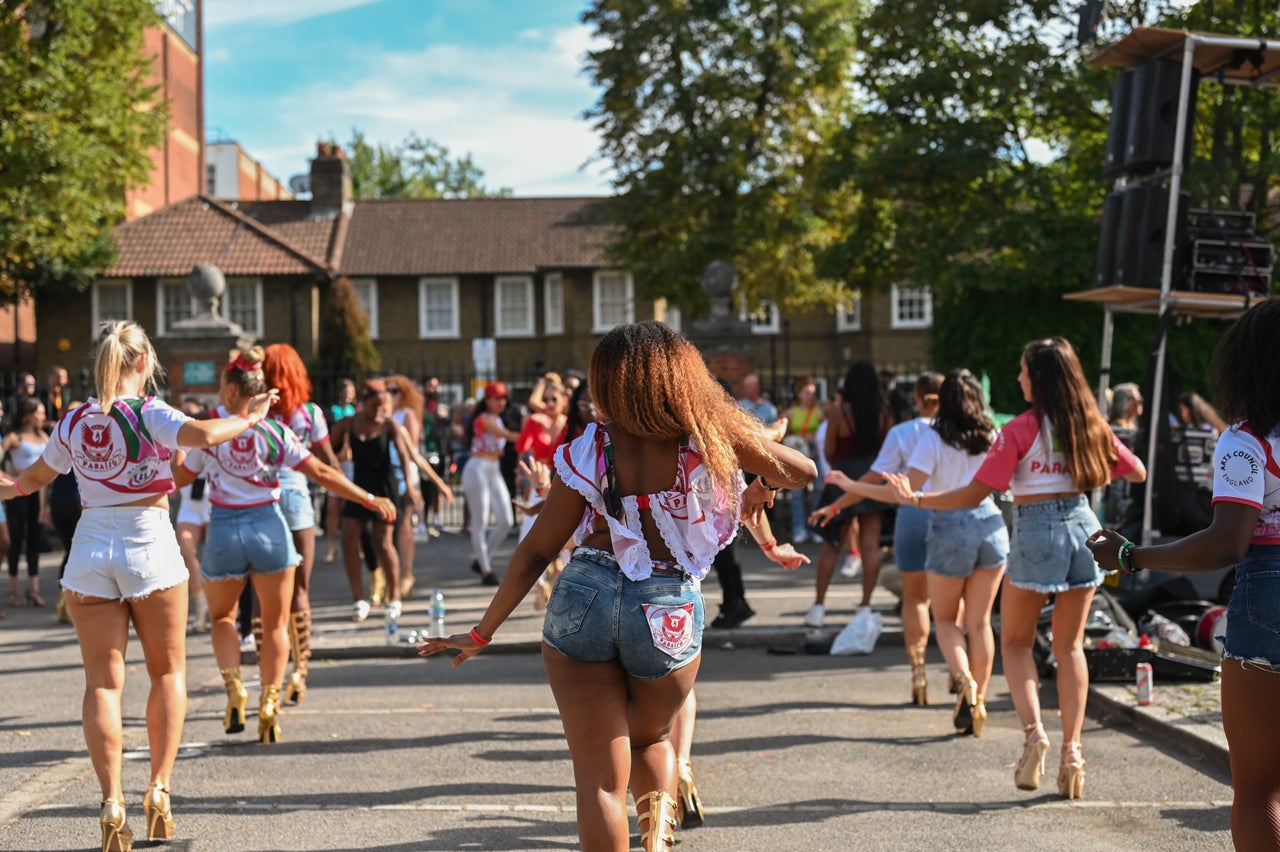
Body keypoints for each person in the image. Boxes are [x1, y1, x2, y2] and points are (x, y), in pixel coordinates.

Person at [420, 321, 816, 851]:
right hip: (665, 603)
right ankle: (654, 840)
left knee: (600, 781)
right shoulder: (704, 438)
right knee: (653, 737)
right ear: (683, 379)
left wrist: (481, 632)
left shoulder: (592, 446)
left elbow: (537, 551)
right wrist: (760, 477)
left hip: (585, 590)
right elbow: (803, 470)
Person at [0, 320, 276, 851]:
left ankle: (111, 801)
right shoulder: (149, 411)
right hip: (148, 545)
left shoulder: (75, 418)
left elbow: (32, 480)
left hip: (90, 549)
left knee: (103, 684)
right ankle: (158, 791)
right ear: (144, 363)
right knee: (167, 672)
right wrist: (249, 416)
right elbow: (203, 435)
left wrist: (6, 488)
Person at [888, 338, 1145, 799]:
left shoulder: (1021, 429)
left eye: (1024, 371)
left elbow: (974, 493)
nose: (1019, 378)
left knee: (1017, 642)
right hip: (1085, 527)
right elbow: (1137, 471)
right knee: (1070, 648)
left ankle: (1035, 736)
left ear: (1040, 378)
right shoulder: (1091, 424)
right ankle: (1073, 754)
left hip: (1036, 531)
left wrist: (917, 499)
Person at [1087, 299, 1280, 848]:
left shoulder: (1246, 442)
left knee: (1259, 786)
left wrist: (1132, 557)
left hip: (1269, 593)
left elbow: (1226, 543)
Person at [175, 349, 397, 746]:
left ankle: (234, 690)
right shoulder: (276, 433)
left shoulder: (212, 432)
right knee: (276, 622)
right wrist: (367, 498)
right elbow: (322, 471)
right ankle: (270, 706)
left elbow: (177, 478)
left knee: (224, 618)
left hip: (224, 529)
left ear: (229, 392)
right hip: (269, 526)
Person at [812, 372, 943, 706]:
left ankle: (919, 671)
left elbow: (870, 474)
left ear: (916, 396)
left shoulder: (900, 431)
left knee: (915, 600)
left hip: (909, 511)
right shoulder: (968, 430)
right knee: (958, 609)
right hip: (957, 515)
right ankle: (964, 677)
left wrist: (839, 500)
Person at [263, 344, 342, 703]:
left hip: (261, 500)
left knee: (265, 596)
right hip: (296, 498)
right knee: (300, 592)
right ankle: (300, 672)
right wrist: (355, 494)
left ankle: (271, 677)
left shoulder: (257, 413)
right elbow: (326, 462)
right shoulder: (310, 414)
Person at [330, 379, 441, 620]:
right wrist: (333, 467)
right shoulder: (349, 424)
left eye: (383, 404)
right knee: (349, 537)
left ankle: (394, 596)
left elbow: (404, 455)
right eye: (375, 405)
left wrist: (411, 488)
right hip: (358, 488)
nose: (379, 410)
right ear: (363, 403)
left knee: (383, 541)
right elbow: (326, 448)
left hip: (385, 488)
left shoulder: (389, 425)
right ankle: (359, 598)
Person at [806, 362, 893, 628]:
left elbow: (829, 451)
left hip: (842, 479)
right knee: (871, 547)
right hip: (872, 480)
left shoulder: (839, 412)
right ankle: (865, 606)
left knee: (831, 546)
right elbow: (888, 454)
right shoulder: (884, 414)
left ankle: (819, 606)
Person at [461, 381, 521, 585]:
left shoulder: (497, 419)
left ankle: (482, 559)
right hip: (477, 468)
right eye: (496, 398)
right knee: (480, 522)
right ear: (486, 400)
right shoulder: (484, 419)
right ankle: (486, 570)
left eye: (503, 398)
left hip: (492, 470)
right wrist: (530, 435)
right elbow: (504, 436)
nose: (500, 402)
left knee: (506, 520)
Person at [3, 396, 49, 607]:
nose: (43, 416)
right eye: (39, 413)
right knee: (16, 540)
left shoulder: (43, 438)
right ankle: (14, 591)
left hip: (38, 496)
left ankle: (34, 589)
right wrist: (9, 478)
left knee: (35, 540)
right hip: (19, 495)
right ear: (28, 416)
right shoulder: (15, 437)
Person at [784, 376, 824, 544]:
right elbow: (783, 436)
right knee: (797, 493)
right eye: (807, 393)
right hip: (797, 453)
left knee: (818, 490)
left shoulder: (820, 412)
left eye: (813, 393)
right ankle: (799, 528)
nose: (811, 396)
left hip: (817, 452)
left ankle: (816, 528)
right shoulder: (790, 413)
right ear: (798, 393)